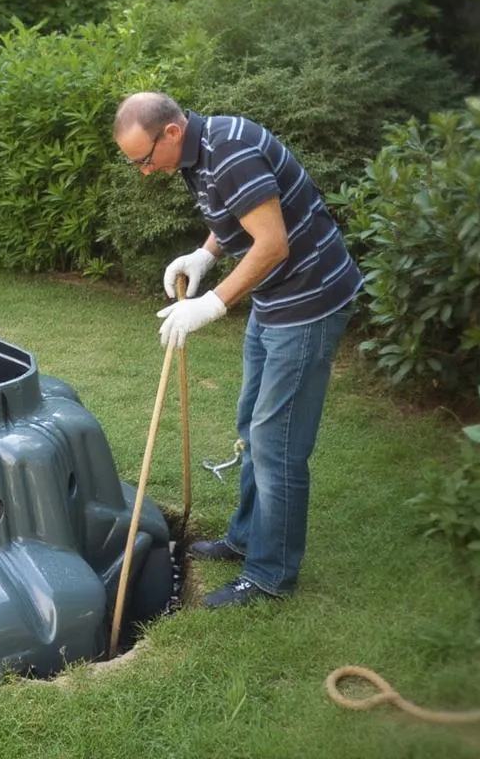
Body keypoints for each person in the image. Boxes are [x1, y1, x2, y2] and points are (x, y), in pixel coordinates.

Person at [113, 92, 362, 608]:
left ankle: (271, 574)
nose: (145, 171)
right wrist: (205, 254)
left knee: (277, 442)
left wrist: (212, 303)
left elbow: (272, 244)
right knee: (252, 424)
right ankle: (247, 537)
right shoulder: (198, 155)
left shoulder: (230, 151)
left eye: (145, 159)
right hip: (276, 300)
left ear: (172, 132)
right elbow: (235, 213)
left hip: (310, 299)